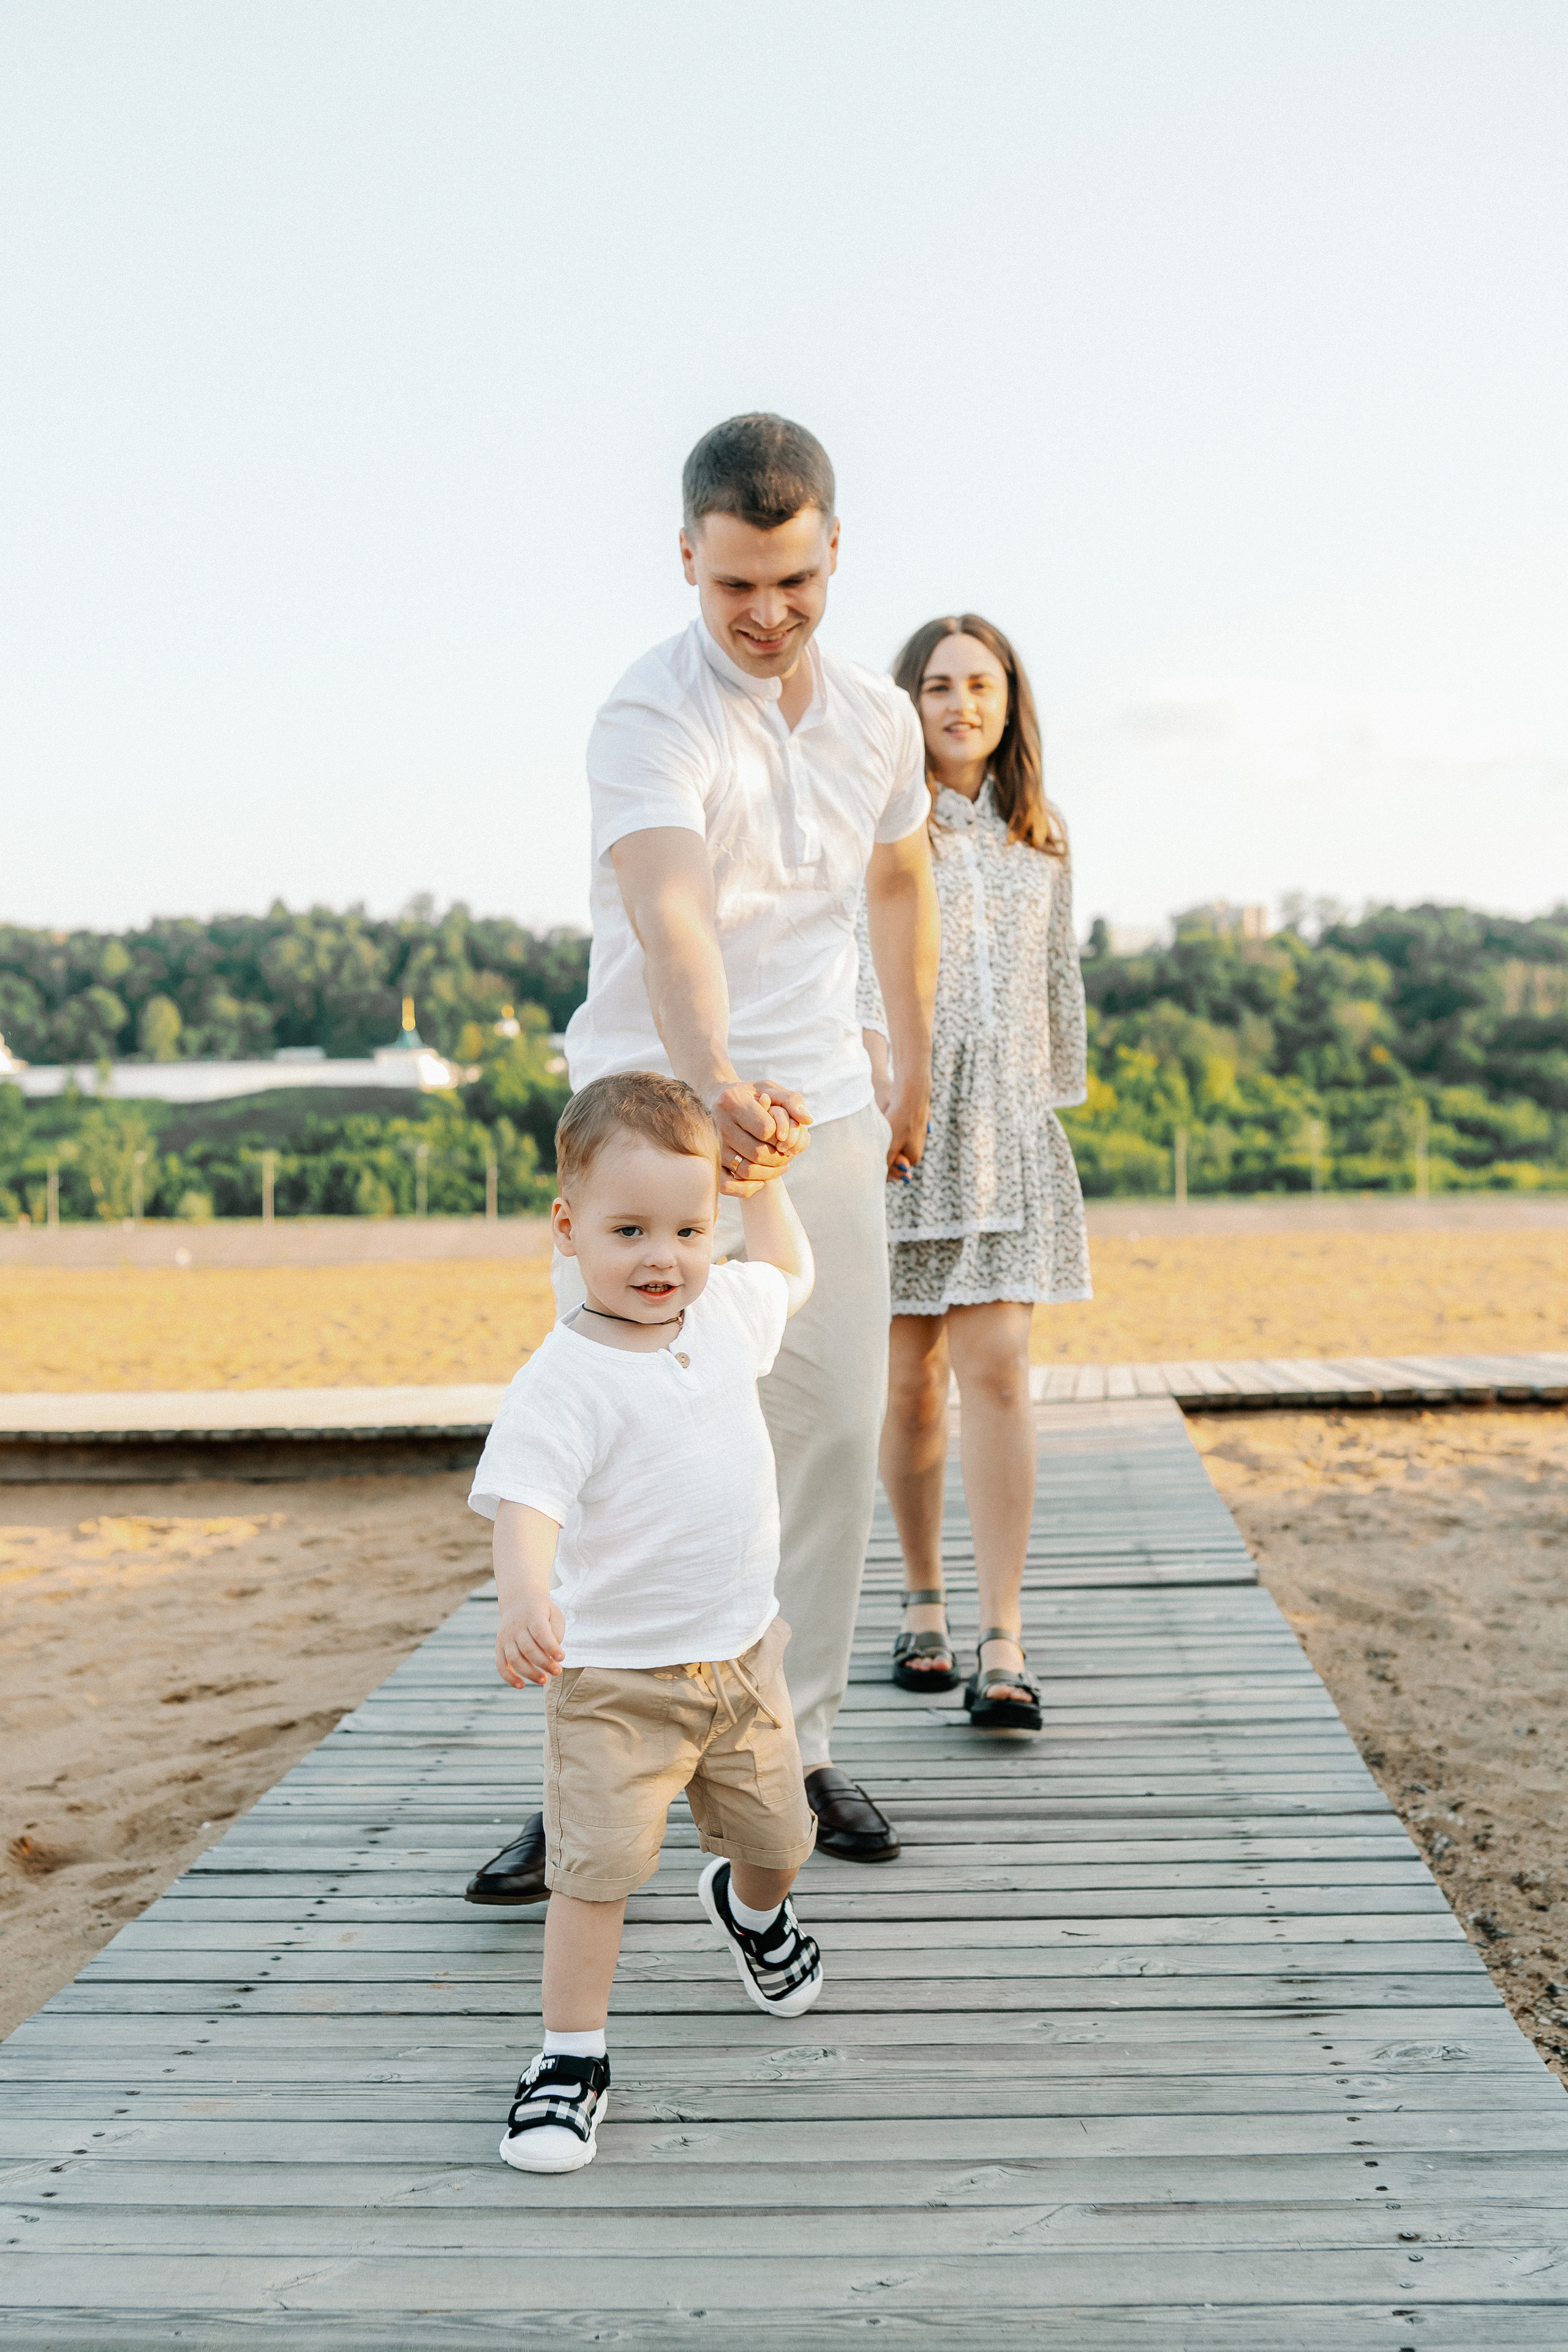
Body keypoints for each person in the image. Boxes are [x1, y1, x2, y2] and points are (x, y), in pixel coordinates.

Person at [465, 413, 938, 1906]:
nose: (765, 612)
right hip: (652, 1112)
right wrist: (714, 1084)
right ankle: (586, 1780)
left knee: (822, 1434)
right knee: (618, 1454)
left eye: (792, 580)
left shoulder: (875, 714)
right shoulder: (644, 714)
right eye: (734, 582)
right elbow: (672, 921)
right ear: (686, 557)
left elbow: (901, 871)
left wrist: (908, 1058)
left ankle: (789, 1755)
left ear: (833, 552)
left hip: (827, 1111)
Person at [470, 1072, 823, 2173]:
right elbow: (528, 1500)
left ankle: (752, 1912)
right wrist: (528, 1593)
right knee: (596, 1873)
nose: (662, 1255)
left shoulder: (720, 1310)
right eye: (628, 1231)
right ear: (570, 1231)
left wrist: (767, 1183)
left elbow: (795, 1272)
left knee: (782, 1843)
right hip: (616, 1680)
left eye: (687, 1227)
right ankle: (570, 2057)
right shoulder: (562, 1379)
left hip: (745, 1659)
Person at [858, 614, 1089, 1729]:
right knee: (907, 1385)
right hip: (902, 1127)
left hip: (1005, 1135)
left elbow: (1054, 991)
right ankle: (924, 1598)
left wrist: (1039, 1120)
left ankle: (1005, 1632)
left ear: (1009, 703)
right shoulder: (882, 827)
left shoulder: (1041, 839)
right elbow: (857, 970)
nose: (960, 703)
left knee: (998, 1369)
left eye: (981, 685)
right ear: (907, 705)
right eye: (939, 685)